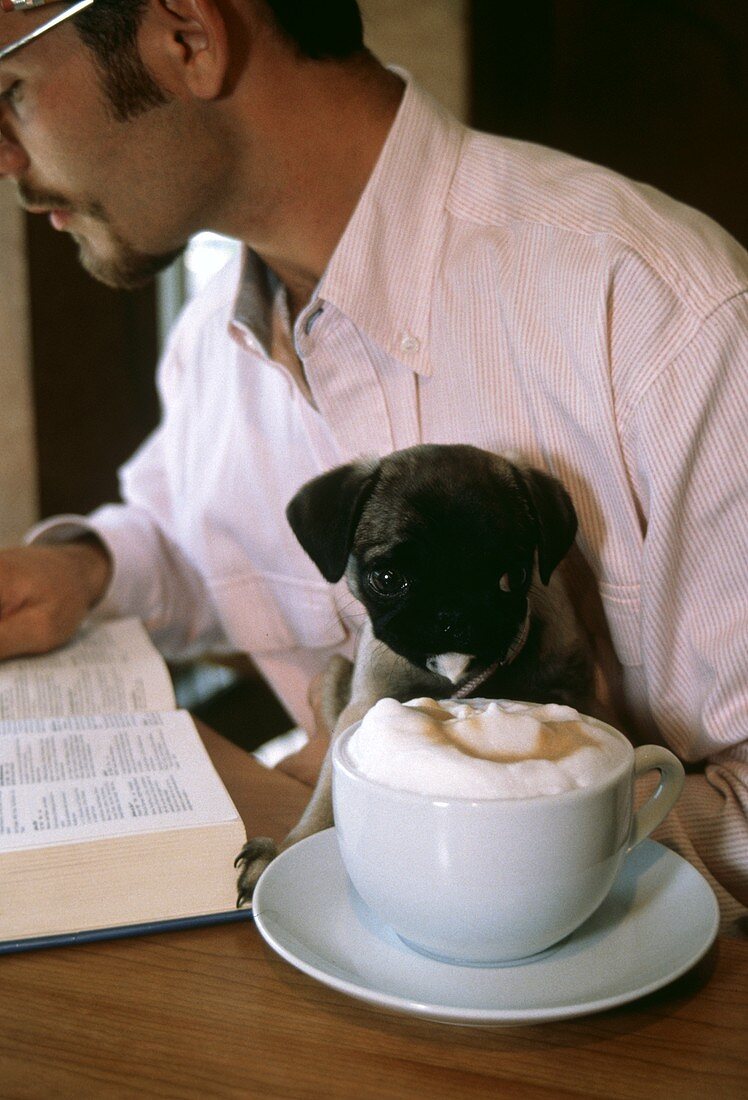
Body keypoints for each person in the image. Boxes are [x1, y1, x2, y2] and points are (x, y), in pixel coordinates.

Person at [0, 0, 745, 933]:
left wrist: (425, 801)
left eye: (11, 90)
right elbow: (194, 537)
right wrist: (83, 568)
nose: (2, 157)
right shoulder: (209, 340)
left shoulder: (661, 318)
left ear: (186, 36)